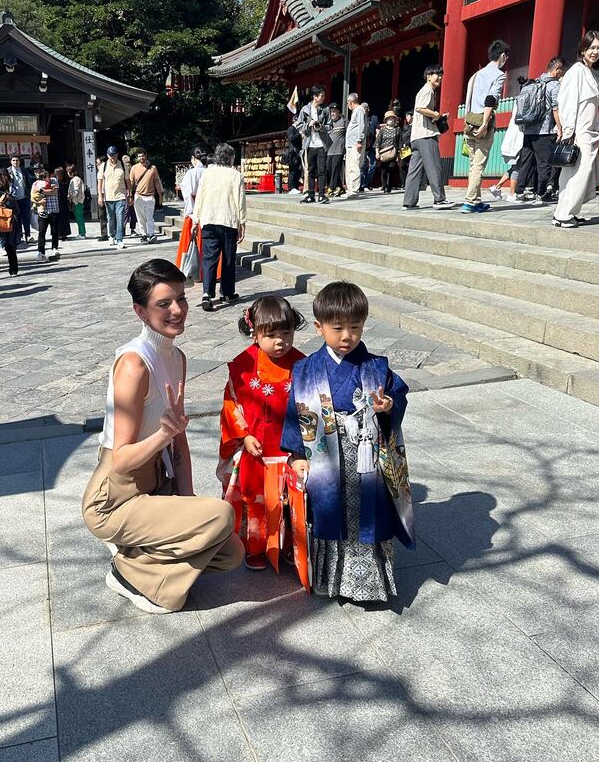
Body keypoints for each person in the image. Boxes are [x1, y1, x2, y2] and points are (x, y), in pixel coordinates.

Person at [81, 258, 244, 614]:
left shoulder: (177, 356)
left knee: (230, 551)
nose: (177, 310)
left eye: (181, 299)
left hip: (157, 483)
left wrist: (186, 501)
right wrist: (162, 435)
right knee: (220, 517)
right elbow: (121, 458)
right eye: (164, 303)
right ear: (140, 311)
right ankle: (129, 571)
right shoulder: (134, 365)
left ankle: (138, 555)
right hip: (115, 498)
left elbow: (179, 438)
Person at [281, 281, 415, 602]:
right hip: (325, 454)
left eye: (355, 327)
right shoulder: (306, 370)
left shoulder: (375, 366)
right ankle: (332, 578)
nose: (347, 337)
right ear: (318, 327)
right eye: (337, 328)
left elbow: (397, 392)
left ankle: (369, 584)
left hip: (366, 454)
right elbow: (294, 411)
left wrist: (389, 405)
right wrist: (297, 453)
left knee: (368, 514)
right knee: (329, 512)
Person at [218, 296, 306, 570]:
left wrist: (303, 445)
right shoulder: (242, 366)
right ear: (254, 333)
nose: (280, 341)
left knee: (290, 499)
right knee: (254, 499)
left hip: (289, 447)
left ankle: (292, 545)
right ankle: (254, 547)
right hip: (256, 447)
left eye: (286, 333)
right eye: (271, 335)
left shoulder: (302, 365)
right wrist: (243, 435)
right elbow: (231, 404)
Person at [553, 30, 599, 228]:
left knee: (575, 174)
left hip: (588, 131)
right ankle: (565, 213)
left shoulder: (588, 72)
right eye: (591, 47)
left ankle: (565, 212)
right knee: (578, 173)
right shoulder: (576, 70)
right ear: (583, 49)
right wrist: (568, 131)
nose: (595, 51)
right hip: (580, 132)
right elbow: (566, 101)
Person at [191, 142, 247, 312]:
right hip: (228, 220)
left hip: (209, 219)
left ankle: (207, 294)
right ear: (230, 158)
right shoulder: (236, 175)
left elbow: (200, 197)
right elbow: (240, 200)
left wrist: (195, 220)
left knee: (209, 258)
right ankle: (227, 293)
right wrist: (242, 222)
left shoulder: (208, 173)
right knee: (228, 259)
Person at [461, 39, 509, 214]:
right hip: (482, 123)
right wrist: (485, 123)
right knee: (479, 166)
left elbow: (467, 100)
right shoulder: (498, 75)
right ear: (503, 56)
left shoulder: (476, 75)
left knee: (473, 164)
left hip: (469, 122)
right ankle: (469, 202)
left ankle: (476, 200)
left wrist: (467, 122)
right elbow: (491, 99)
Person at [402, 65, 454, 210]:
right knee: (434, 168)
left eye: (441, 75)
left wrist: (437, 116)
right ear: (428, 76)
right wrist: (436, 114)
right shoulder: (428, 90)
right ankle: (439, 199)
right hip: (426, 135)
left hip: (417, 137)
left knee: (414, 171)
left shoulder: (424, 91)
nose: (440, 77)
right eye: (437, 74)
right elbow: (420, 108)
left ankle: (409, 202)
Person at [514, 56, 565, 203]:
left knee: (526, 161)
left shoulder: (535, 81)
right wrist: (560, 128)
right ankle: (541, 194)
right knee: (544, 163)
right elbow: (556, 108)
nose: (562, 73)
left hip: (528, 129)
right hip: (544, 130)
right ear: (557, 70)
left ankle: (519, 192)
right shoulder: (554, 85)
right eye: (561, 70)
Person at [296, 85, 331, 204]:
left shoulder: (325, 110)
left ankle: (321, 194)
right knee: (310, 170)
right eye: (322, 95)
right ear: (315, 97)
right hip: (309, 144)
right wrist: (309, 124)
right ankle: (310, 194)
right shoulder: (305, 110)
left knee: (322, 170)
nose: (323, 98)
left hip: (321, 144)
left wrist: (321, 127)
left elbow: (330, 126)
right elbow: (298, 125)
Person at [175, 148, 207, 274]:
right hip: (207, 210)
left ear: (193, 158)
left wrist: (190, 212)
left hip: (194, 210)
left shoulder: (191, 173)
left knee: (190, 244)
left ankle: (192, 270)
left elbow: (188, 194)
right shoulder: (208, 172)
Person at [130, 149, 164, 244]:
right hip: (138, 196)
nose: (141, 158)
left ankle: (151, 234)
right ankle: (144, 234)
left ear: (146, 155)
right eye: (139, 156)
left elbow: (156, 182)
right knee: (140, 217)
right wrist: (130, 196)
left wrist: (160, 196)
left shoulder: (152, 168)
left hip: (150, 196)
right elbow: (131, 183)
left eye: (143, 156)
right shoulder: (134, 168)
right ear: (137, 158)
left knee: (149, 216)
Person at [98, 146, 128, 249]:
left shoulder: (123, 165)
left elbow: (127, 180)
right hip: (109, 196)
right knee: (110, 218)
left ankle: (119, 239)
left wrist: (130, 193)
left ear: (117, 154)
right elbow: (100, 181)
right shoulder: (104, 166)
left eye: (114, 155)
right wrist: (100, 196)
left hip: (121, 196)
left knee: (120, 218)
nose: (112, 157)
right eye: (110, 155)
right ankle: (112, 235)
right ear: (107, 155)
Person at [30, 166, 60, 261]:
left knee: (55, 231)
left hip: (54, 209)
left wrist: (43, 191)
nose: (46, 179)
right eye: (43, 177)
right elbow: (34, 195)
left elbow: (54, 191)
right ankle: (41, 252)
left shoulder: (54, 180)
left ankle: (54, 248)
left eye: (46, 176)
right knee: (41, 232)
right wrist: (46, 192)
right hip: (42, 211)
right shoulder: (36, 183)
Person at [345, 93, 367, 200]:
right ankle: (349, 189)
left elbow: (361, 126)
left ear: (350, 102)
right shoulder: (355, 111)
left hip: (355, 143)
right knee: (349, 167)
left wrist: (359, 140)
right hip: (350, 144)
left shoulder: (359, 110)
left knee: (354, 166)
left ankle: (354, 189)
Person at [8, 154, 33, 242]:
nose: (15, 162)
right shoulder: (8, 171)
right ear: (11, 161)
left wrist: (30, 195)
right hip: (14, 199)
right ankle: (19, 236)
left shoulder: (23, 170)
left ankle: (28, 235)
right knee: (16, 218)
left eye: (17, 160)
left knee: (26, 216)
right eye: (13, 160)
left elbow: (29, 182)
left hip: (24, 197)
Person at [375, 110, 400, 194]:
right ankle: (384, 185)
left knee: (392, 169)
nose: (390, 120)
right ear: (386, 120)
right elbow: (378, 141)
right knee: (383, 170)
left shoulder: (397, 130)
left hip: (393, 152)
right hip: (383, 152)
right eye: (389, 119)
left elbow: (399, 142)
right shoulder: (382, 130)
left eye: (392, 118)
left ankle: (389, 186)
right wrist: (377, 152)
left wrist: (399, 154)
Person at [325, 102, 347, 197]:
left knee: (335, 169)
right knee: (329, 169)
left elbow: (349, 134)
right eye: (331, 112)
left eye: (334, 111)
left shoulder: (344, 121)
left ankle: (331, 187)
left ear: (338, 112)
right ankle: (340, 188)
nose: (332, 113)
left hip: (339, 150)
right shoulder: (328, 123)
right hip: (329, 150)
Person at [362, 104, 379, 191]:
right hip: (363, 146)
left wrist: (378, 145)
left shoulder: (374, 118)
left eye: (365, 108)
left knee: (373, 165)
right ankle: (362, 184)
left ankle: (367, 183)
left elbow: (377, 131)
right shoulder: (360, 118)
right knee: (363, 165)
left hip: (372, 145)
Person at [67, 163, 86, 237]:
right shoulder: (75, 179)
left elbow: (76, 191)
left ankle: (82, 233)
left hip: (77, 201)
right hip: (77, 201)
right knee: (79, 217)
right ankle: (81, 233)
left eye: (68, 172)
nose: (68, 173)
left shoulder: (76, 179)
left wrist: (70, 196)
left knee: (79, 218)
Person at [54, 167, 71, 241]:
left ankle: (62, 234)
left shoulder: (63, 182)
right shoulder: (56, 182)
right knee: (59, 219)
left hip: (61, 202)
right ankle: (60, 234)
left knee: (62, 219)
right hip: (59, 202)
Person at [399, 111, 413, 188]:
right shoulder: (405, 127)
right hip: (405, 148)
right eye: (406, 116)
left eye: (408, 116)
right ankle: (403, 182)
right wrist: (401, 147)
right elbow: (401, 137)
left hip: (412, 147)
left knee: (411, 165)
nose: (407, 118)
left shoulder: (415, 127)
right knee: (402, 165)